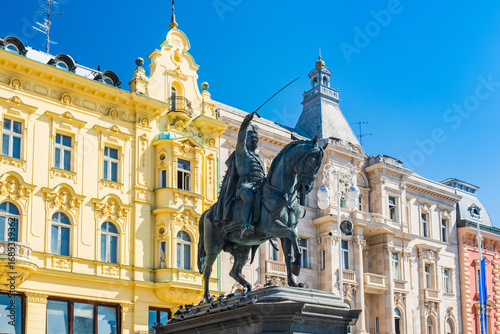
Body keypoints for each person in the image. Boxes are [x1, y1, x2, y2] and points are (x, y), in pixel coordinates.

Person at [235, 112, 265, 238]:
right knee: (249, 198)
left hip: (259, 186)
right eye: (252, 140)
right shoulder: (242, 153)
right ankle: (245, 225)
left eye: (256, 140)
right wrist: (245, 123)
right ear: (246, 141)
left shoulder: (258, 158)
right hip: (245, 186)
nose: (255, 142)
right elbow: (240, 139)